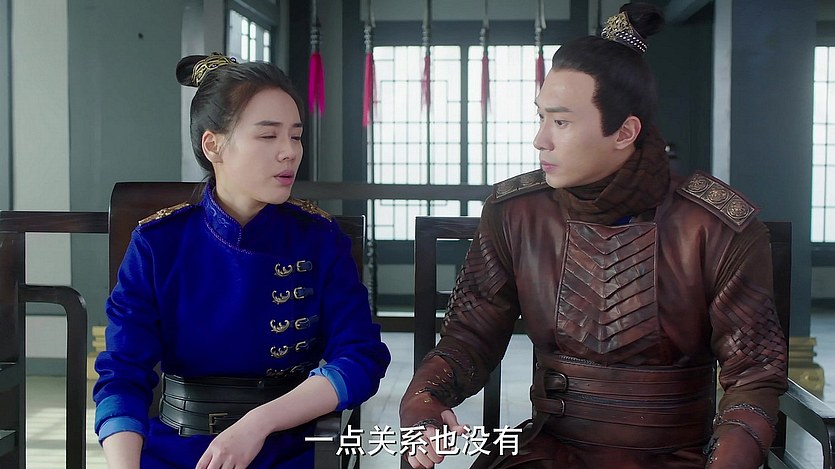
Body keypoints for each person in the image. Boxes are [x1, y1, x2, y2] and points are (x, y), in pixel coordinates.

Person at [400, 3, 787, 468]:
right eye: (541, 117)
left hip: (677, 455)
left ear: (624, 132)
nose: (540, 139)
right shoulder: (516, 212)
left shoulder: (714, 225)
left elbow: (753, 379)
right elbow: (470, 337)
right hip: (549, 450)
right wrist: (422, 401)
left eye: (560, 122)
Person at [93, 53, 391, 469]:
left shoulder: (319, 239)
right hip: (177, 447)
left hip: (290, 448)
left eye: (296, 136)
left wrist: (259, 423)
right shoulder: (159, 243)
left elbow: (361, 357)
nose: (289, 152)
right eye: (268, 136)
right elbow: (123, 374)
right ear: (213, 145)